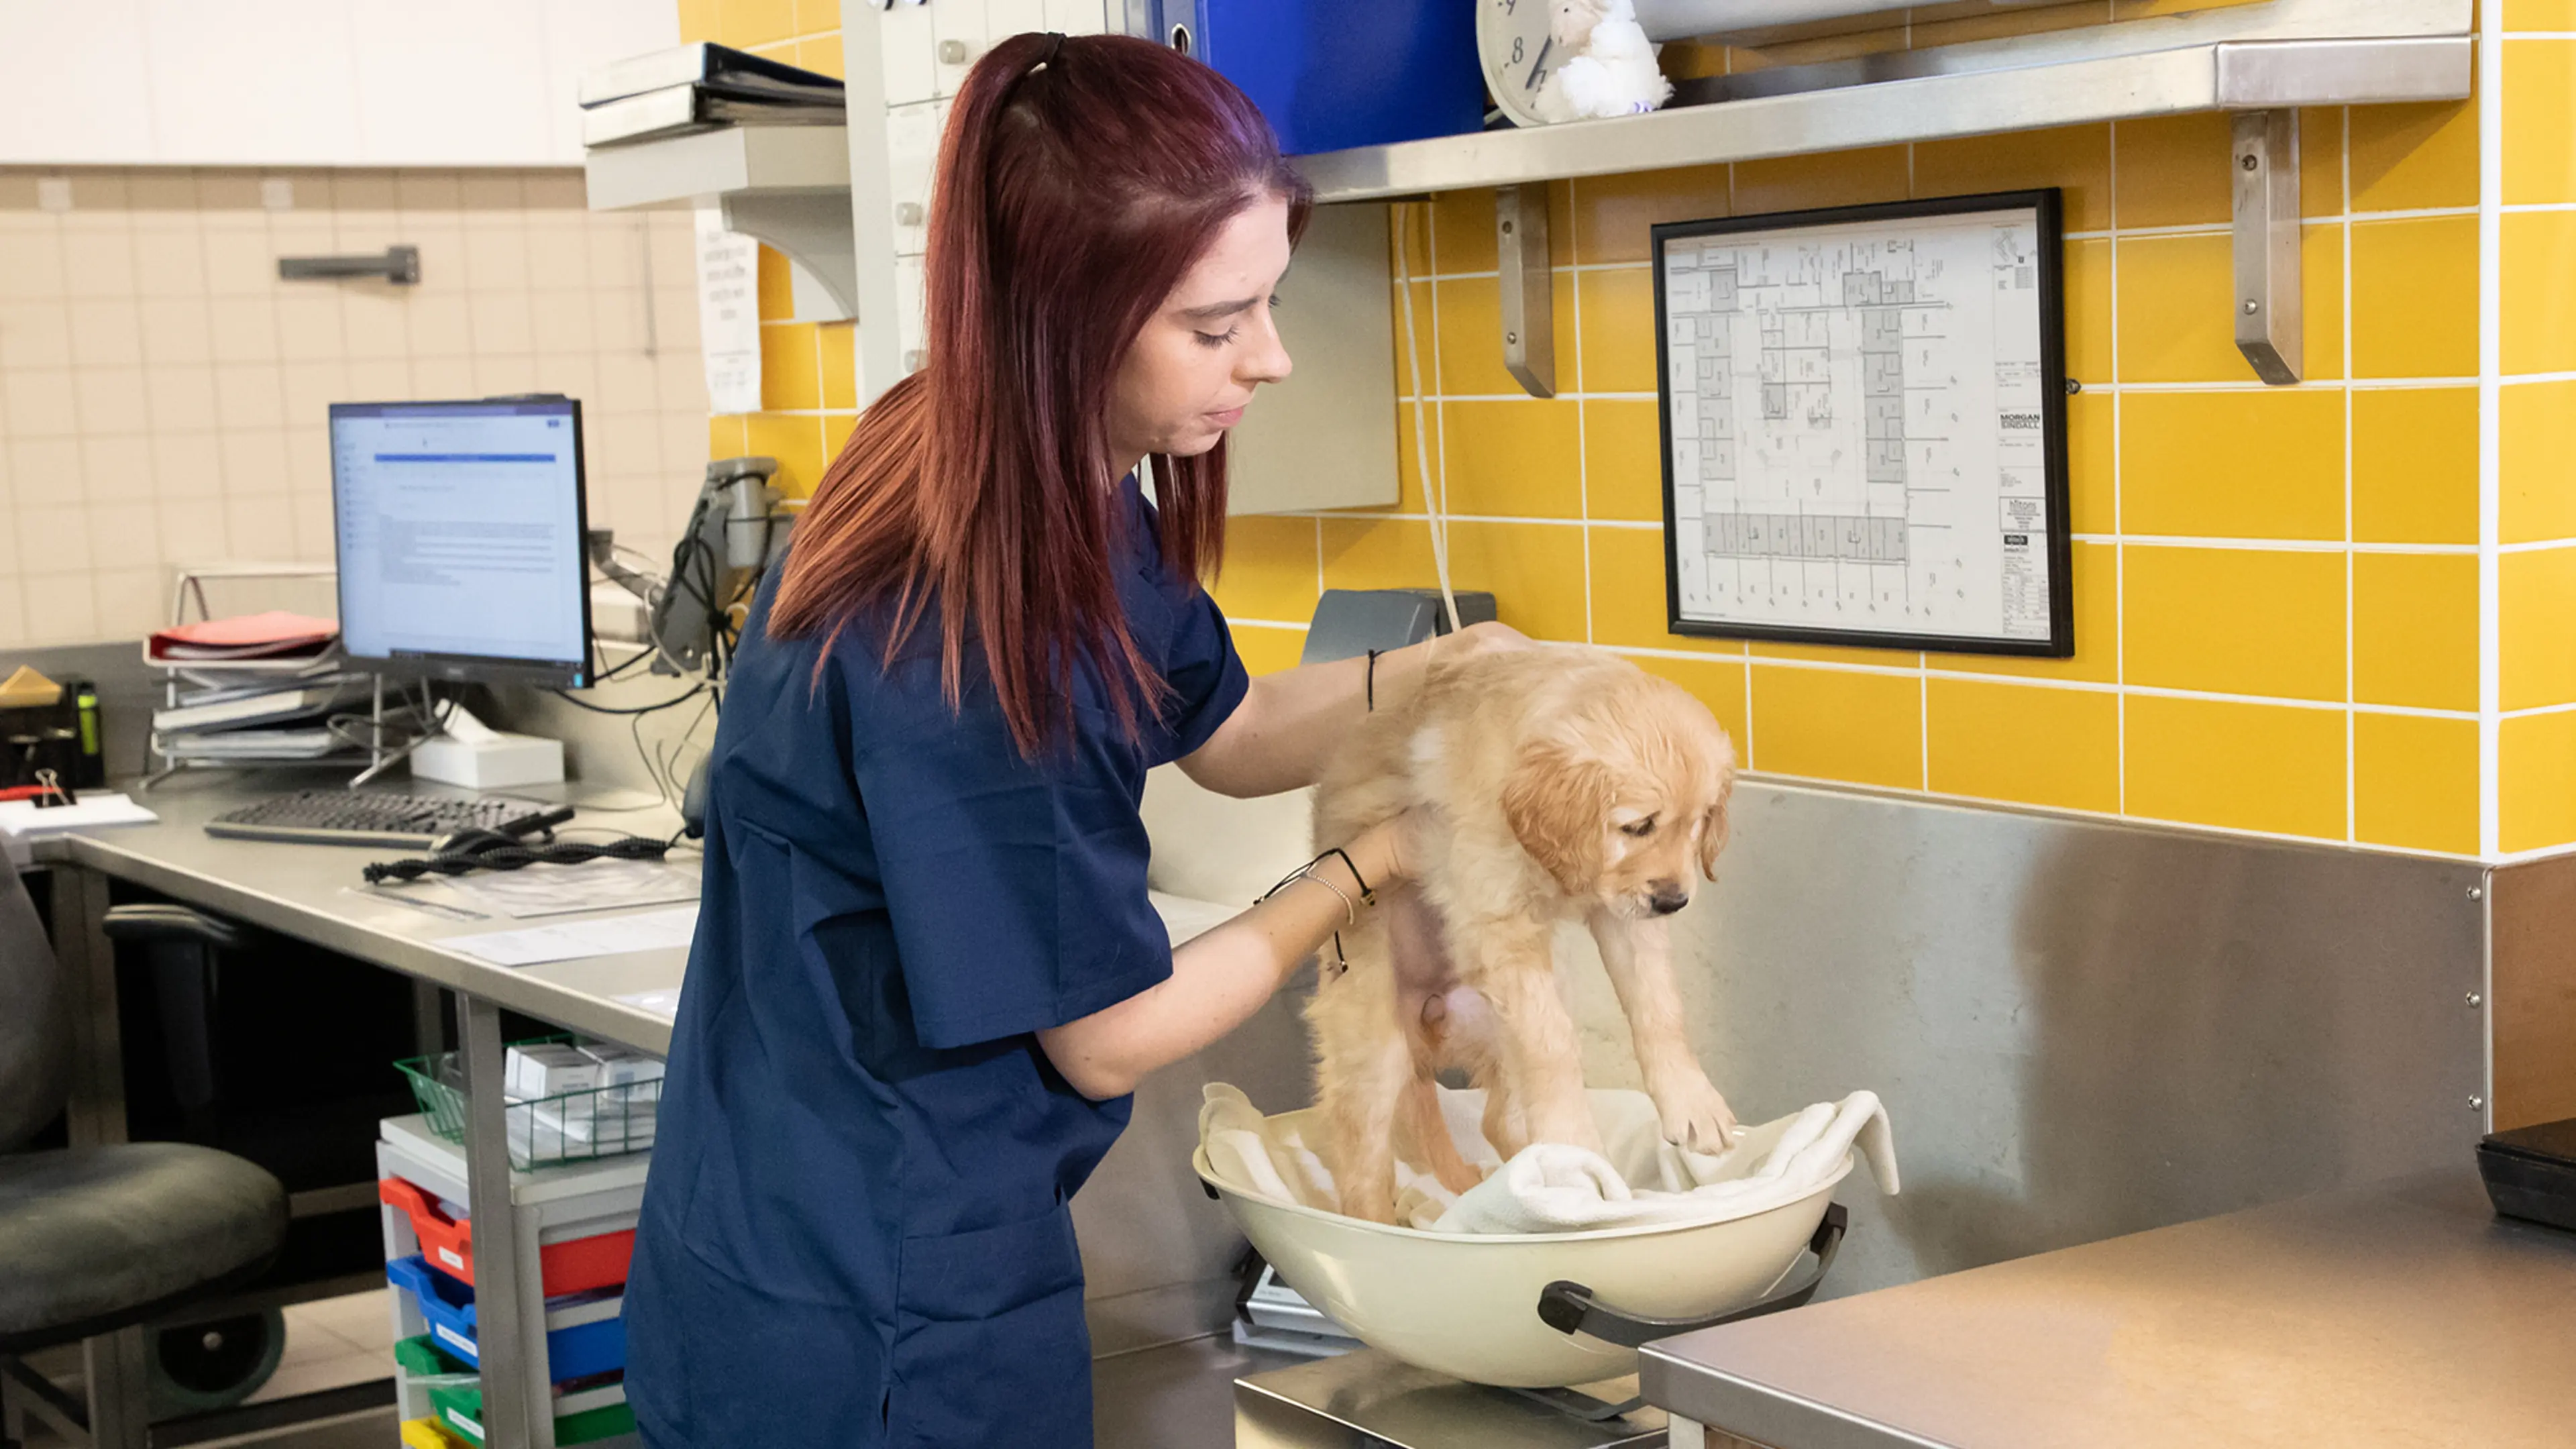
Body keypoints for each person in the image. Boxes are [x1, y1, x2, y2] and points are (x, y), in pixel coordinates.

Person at [621, 31, 1523, 1448]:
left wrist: (1452, 669)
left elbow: (1219, 732)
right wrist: (1371, 866)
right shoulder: (969, 617)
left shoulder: (1012, 469)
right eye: (1217, 328)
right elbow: (1112, 1038)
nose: (1271, 362)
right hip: (882, 1322)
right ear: (1069, 317)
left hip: (778, 1238)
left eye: (1268, 306)